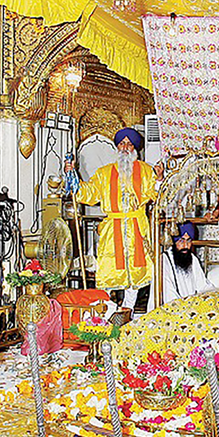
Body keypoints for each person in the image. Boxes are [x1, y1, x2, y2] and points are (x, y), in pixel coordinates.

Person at [69, 128, 160, 311]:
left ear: (135, 147)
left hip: (137, 228)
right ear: (117, 147)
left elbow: (156, 194)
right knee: (109, 271)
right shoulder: (104, 173)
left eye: (129, 144)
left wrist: (159, 178)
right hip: (113, 228)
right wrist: (73, 177)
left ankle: (128, 311)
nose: (125, 147)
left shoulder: (146, 171)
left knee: (136, 275)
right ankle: (106, 312)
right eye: (121, 144)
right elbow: (89, 193)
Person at [158, 222, 219, 305]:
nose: (185, 245)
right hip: (171, 308)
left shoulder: (192, 258)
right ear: (174, 242)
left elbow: (203, 286)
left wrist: (218, 297)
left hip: (189, 307)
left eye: (189, 241)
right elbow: (168, 294)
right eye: (181, 241)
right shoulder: (164, 259)